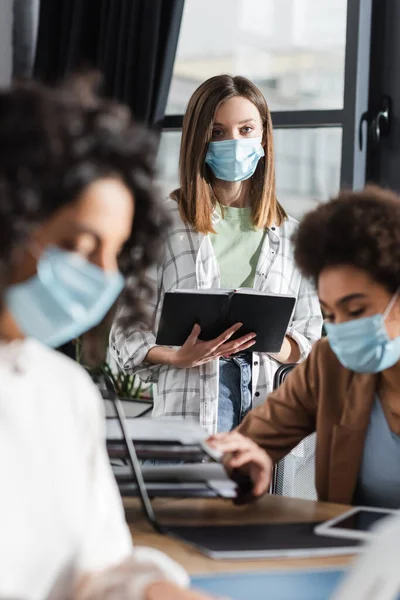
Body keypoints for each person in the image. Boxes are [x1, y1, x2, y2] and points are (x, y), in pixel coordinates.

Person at [0, 79, 213, 600]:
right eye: (78, 244)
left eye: (116, 253)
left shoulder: (63, 391)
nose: (103, 275)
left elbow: (93, 573)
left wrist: (157, 592)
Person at [110, 74, 322, 434]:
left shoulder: (293, 235)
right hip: (187, 419)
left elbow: (310, 339)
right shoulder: (163, 226)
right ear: (199, 139)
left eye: (246, 129)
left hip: (267, 420)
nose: (234, 143)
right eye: (218, 132)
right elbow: (125, 334)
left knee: (268, 493)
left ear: (264, 137)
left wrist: (268, 340)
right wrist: (178, 355)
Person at [208, 186, 400, 509]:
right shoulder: (329, 366)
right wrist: (244, 456)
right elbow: (252, 439)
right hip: (348, 555)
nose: (341, 329)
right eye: (330, 314)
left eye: (355, 311)